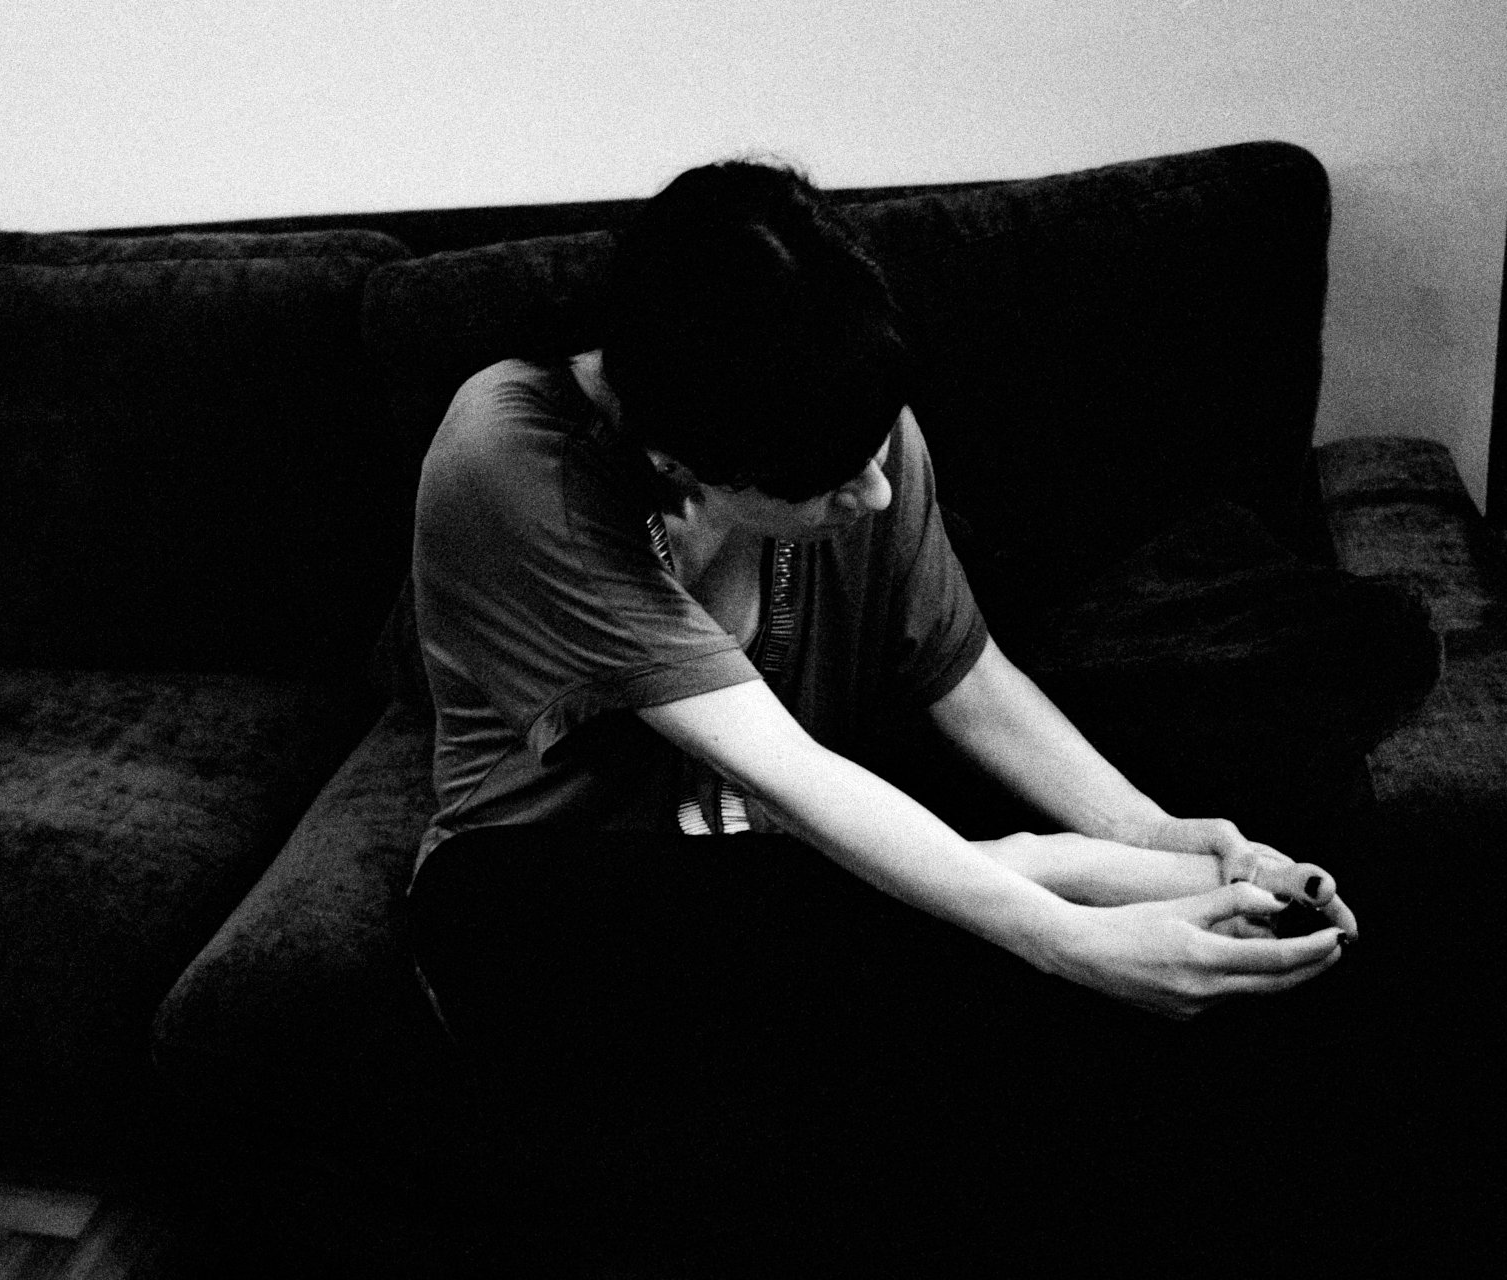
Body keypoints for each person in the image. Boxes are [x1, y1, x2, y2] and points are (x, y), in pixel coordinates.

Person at [408, 159, 1361, 1271]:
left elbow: (970, 677)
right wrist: (1065, 923)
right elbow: (791, 776)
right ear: (680, 462)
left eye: (872, 457)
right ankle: (1028, 872)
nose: (871, 494)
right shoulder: (511, 457)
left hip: (784, 854)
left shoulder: (841, 416)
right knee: (899, 938)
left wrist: (1154, 831)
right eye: (826, 484)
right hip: (551, 888)